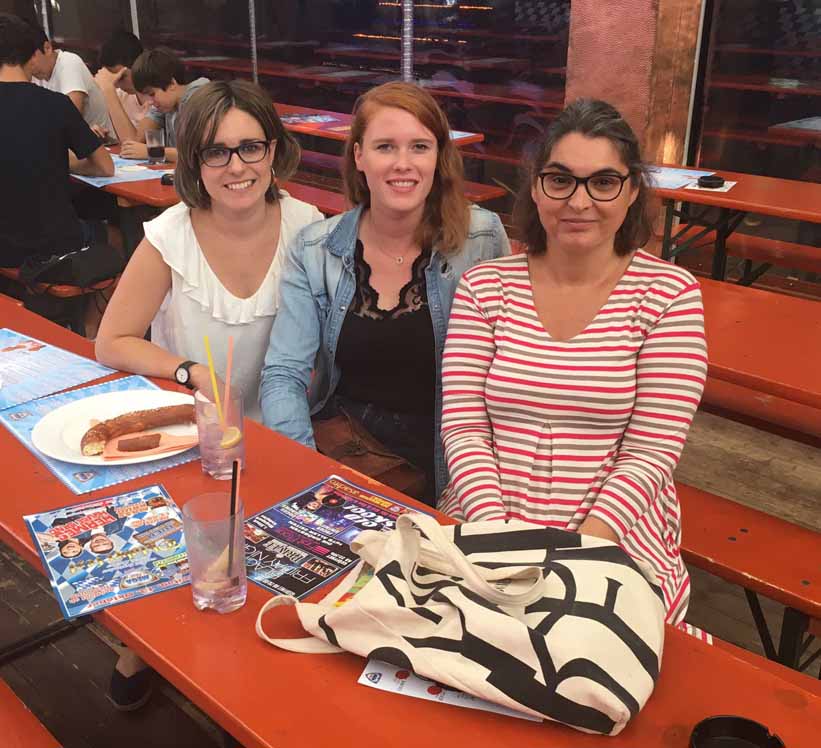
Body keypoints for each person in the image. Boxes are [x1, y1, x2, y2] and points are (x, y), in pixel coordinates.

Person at [438, 99, 707, 625]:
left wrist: (578, 551)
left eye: (603, 182)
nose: (579, 202)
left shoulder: (669, 294)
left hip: (614, 528)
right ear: (537, 188)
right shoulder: (486, 286)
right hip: (488, 512)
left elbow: (651, 452)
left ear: (632, 190)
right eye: (560, 180)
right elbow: (465, 427)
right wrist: (498, 537)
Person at [260, 82, 510, 505]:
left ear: (438, 157)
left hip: (455, 460)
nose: (403, 164)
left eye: (419, 147)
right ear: (359, 156)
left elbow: (508, 371)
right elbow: (284, 374)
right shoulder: (316, 248)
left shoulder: (482, 239)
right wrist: (306, 476)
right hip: (350, 454)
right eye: (385, 147)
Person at [96, 80, 324, 423]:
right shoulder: (169, 238)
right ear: (194, 162)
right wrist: (192, 371)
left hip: (290, 431)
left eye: (251, 147)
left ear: (273, 151)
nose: (236, 167)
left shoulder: (307, 227)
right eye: (216, 152)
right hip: (199, 430)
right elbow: (112, 342)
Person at [0, 13, 116, 332]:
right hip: (52, 245)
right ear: (31, 55)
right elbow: (105, 166)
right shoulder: (55, 105)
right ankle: (92, 333)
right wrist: (60, 161)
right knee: (111, 233)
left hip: (4, 247)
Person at [118, 47, 209, 163]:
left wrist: (151, 152)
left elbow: (199, 155)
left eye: (152, 94)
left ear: (172, 84)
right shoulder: (167, 103)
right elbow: (137, 140)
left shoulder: (200, 100)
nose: (149, 101)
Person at [28, 24, 113, 136]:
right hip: (72, 143)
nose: (28, 65)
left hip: (102, 141)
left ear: (47, 48)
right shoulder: (35, 74)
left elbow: (69, 121)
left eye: (30, 57)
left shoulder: (69, 63)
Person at [94, 29, 152, 137]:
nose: (116, 85)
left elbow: (132, 143)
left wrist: (108, 90)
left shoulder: (157, 98)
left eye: (121, 78)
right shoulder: (120, 95)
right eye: (112, 79)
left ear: (138, 65)